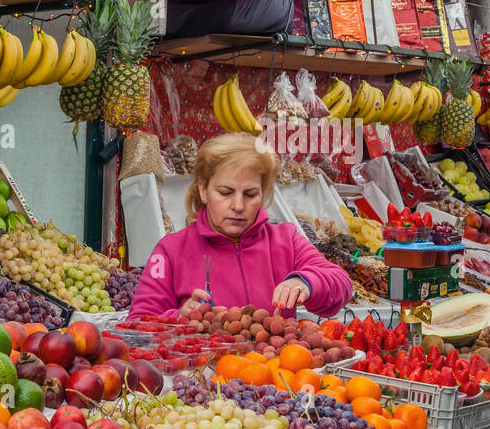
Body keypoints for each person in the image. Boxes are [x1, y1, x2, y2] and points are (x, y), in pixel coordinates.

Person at [128, 133, 352, 321]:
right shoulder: (171, 250)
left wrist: (306, 282)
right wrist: (179, 317)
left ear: (263, 194)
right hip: (201, 371)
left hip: (275, 371)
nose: (238, 206)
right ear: (204, 190)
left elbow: (341, 285)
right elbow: (138, 322)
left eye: (250, 194)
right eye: (225, 193)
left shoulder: (286, 240)